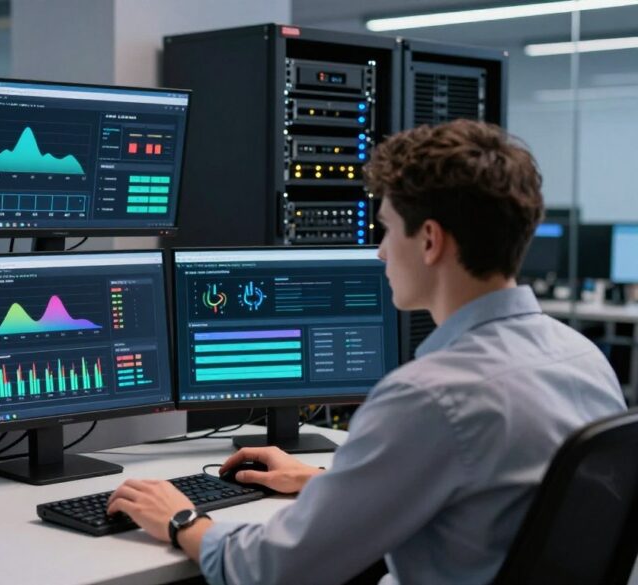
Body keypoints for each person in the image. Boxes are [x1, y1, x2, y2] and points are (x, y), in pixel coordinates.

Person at [106, 119, 626, 585]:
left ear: (429, 241)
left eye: (387, 228)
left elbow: (276, 569)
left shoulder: (430, 397)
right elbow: (491, 488)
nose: (379, 251)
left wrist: (181, 520)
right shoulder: (581, 358)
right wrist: (325, 481)